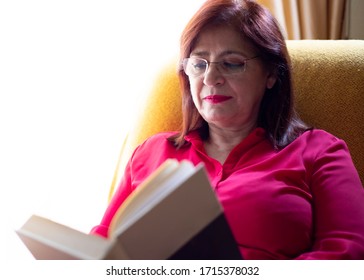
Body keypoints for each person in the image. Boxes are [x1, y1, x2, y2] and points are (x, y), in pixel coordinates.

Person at [91, 0, 364, 259]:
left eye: (232, 63)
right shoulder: (151, 152)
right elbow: (102, 244)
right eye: (199, 64)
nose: (210, 78)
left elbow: (348, 250)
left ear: (270, 74)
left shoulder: (319, 151)